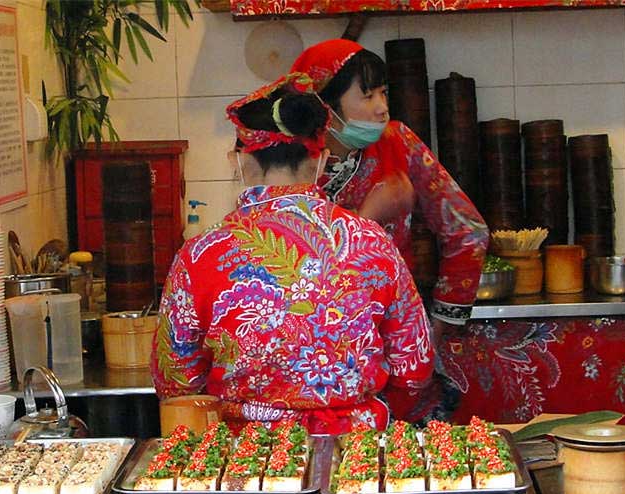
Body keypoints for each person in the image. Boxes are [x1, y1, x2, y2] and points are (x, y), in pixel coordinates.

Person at [151, 72, 434, 434]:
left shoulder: (200, 253)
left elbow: (175, 381)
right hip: (355, 451)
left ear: (238, 162)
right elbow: (414, 367)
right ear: (322, 162)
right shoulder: (370, 239)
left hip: (245, 454)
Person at [290, 39, 489, 422]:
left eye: (383, 93)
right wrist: (369, 216)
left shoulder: (397, 143)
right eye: (367, 96)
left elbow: (468, 230)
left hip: (396, 347)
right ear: (322, 105)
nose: (382, 107)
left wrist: (437, 325)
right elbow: (289, 263)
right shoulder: (291, 163)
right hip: (310, 358)